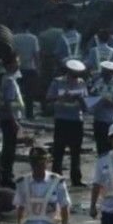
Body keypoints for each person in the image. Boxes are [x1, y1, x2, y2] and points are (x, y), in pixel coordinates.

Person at [46, 59, 88, 187]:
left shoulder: (82, 84)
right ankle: (56, 177)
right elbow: (48, 100)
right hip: (61, 120)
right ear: (68, 71)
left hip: (76, 120)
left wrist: (80, 99)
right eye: (73, 73)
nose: (76, 76)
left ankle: (76, 179)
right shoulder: (57, 82)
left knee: (76, 152)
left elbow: (86, 105)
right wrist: (61, 97)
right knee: (58, 151)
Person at [0, 55, 25, 186]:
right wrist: (14, 120)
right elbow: (9, 102)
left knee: (9, 146)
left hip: (9, 118)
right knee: (9, 148)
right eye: (16, 62)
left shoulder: (9, 79)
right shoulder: (9, 81)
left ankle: (7, 173)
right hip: (9, 119)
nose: (18, 64)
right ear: (10, 64)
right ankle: (7, 176)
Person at [90, 61, 113, 157]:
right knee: (100, 148)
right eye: (104, 71)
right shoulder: (98, 82)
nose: (104, 74)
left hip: (110, 121)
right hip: (98, 119)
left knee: (111, 149)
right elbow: (91, 96)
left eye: (107, 72)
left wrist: (106, 101)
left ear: (112, 72)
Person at [12, 27, 40, 120]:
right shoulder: (33, 38)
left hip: (18, 68)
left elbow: (13, 53)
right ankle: (29, 114)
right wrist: (38, 67)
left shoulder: (14, 38)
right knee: (29, 93)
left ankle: (17, 114)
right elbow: (36, 54)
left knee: (17, 92)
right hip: (30, 68)